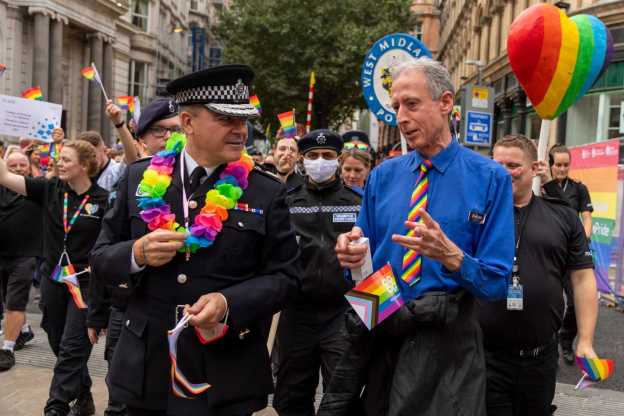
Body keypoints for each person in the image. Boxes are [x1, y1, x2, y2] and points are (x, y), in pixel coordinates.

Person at [90, 64, 301, 416]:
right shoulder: (139, 178)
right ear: (188, 123)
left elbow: (287, 278)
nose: (240, 131)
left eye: (243, 120)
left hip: (224, 373)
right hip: (147, 372)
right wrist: (136, 253)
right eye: (226, 120)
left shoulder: (266, 191)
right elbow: (99, 258)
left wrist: (227, 301)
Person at [331, 58, 514, 416]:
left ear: (445, 102)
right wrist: (350, 258)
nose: (401, 117)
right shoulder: (382, 177)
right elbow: (361, 270)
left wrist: (453, 257)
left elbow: (497, 284)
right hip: (383, 340)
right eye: (397, 106)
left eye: (412, 104)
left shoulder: (490, 178)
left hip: (449, 354)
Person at [481, 135, 599, 416]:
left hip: (540, 359)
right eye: (498, 165)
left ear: (534, 168)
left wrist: (585, 340)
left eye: (513, 165)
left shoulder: (563, 217)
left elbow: (582, 279)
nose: (505, 172)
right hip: (485, 356)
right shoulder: (476, 214)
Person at [0, 139, 109, 416]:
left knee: (73, 346)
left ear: (84, 166)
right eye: (59, 158)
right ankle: (83, 395)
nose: (59, 163)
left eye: (66, 160)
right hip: (53, 280)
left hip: (84, 283)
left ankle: (56, 406)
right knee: (57, 338)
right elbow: (4, 176)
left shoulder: (102, 200)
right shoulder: (49, 189)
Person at [274, 129, 361, 416]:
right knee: (290, 396)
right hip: (296, 312)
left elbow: (375, 260)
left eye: (327, 156)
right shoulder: (286, 200)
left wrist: (376, 318)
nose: (320, 161)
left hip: (343, 311)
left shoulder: (357, 202)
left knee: (341, 397)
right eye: (313, 156)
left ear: (338, 159)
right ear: (302, 159)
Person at [544, 144, 594, 364]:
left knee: (575, 303)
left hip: (570, 253)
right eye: (558, 165)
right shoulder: (541, 186)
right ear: (550, 164)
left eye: (566, 165)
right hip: (546, 251)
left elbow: (586, 217)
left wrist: (584, 239)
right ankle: (547, 343)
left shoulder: (579, 189)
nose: (562, 169)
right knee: (547, 301)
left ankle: (566, 341)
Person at [0, 151, 41, 371]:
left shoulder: (36, 189)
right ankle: (24, 331)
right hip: (2, 255)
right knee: (8, 299)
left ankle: (7, 349)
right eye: (12, 164)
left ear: (29, 166)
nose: (17, 168)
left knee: (15, 300)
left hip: (26, 256)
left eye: (21, 164)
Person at [106, 97, 181, 163]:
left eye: (175, 129)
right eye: (159, 130)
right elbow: (132, 161)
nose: (169, 136)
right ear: (142, 138)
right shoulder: (138, 170)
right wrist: (119, 123)